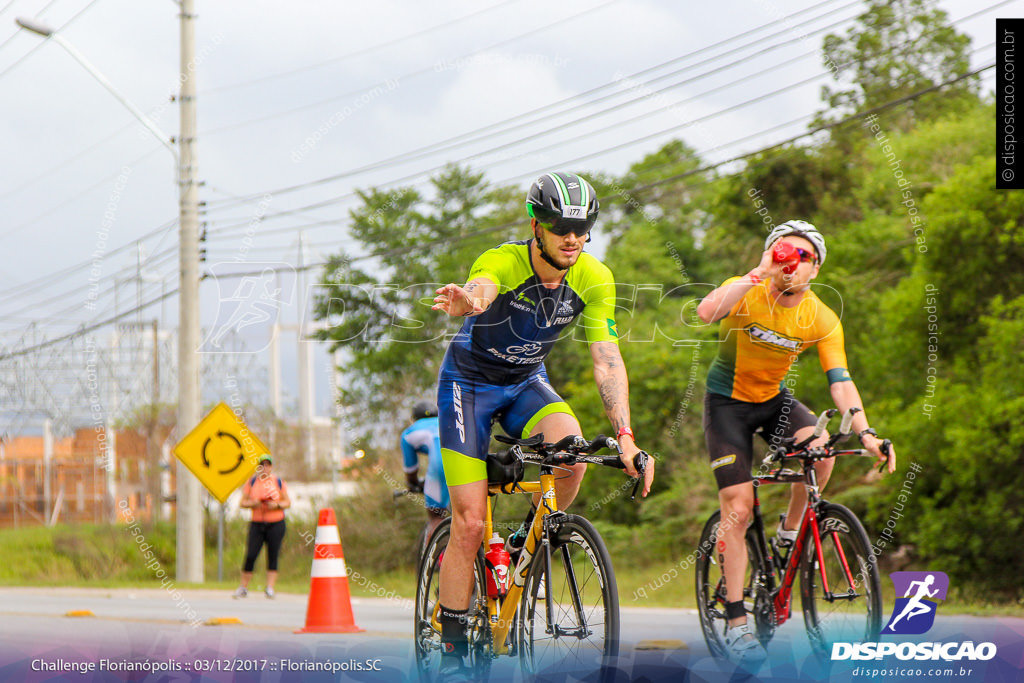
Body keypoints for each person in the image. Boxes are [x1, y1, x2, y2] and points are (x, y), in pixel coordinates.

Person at [430, 171, 654, 677]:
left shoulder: (595, 278)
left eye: (582, 226)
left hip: (526, 381)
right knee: (467, 522)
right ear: (537, 224)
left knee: (573, 456)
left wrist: (625, 439)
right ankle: (451, 649)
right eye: (559, 226)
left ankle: (520, 545)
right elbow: (482, 285)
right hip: (468, 386)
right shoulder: (505, 260)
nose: (572, 237)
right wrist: (471, 300)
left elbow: (607, 359)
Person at [695, 220, 896, 662]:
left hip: (773, 402)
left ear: (816, 268)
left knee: (822, 451)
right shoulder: (747, 287)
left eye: (804, 256)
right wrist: (758, 271)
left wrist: (866, 433)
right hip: (726, 403)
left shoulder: (822, 317)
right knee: (739, 506)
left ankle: (789, 532)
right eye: (786, 252)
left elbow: (840, 382)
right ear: (771, 255)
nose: (793, 262)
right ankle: (735, 620)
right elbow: (706, 313)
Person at [233, 453, 291, 599]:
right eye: (262, 465)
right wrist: (254, 503)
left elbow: (287, 502)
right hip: (258, 523)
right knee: (251, 554)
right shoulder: (252, 482)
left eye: (267, 465)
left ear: (271, 467)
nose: (265, 468)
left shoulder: (278, 482)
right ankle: (243, 587)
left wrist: (276, 505)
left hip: (275, 523)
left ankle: (270, 588)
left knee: (273, 554)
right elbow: (242, 502)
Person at [401, 401, 448, 539]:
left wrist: (413, 484)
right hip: (466, 459)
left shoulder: (409, 432)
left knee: (436, 517)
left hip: (439, 466)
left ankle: (436, 558)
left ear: (414, 418)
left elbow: (411, 469)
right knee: (469, 516)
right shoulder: (446, 421)